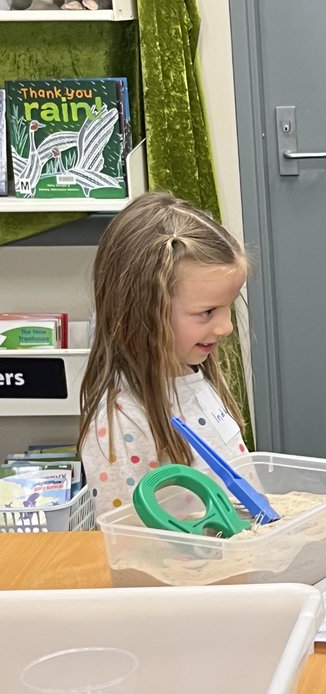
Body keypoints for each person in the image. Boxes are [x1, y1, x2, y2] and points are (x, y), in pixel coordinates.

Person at [78, 192, 251, 512]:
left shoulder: (191, 374)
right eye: (207, 312)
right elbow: (130, 537)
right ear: (144, 312)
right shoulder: (124, 421)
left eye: (228, 306)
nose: (226, 327)